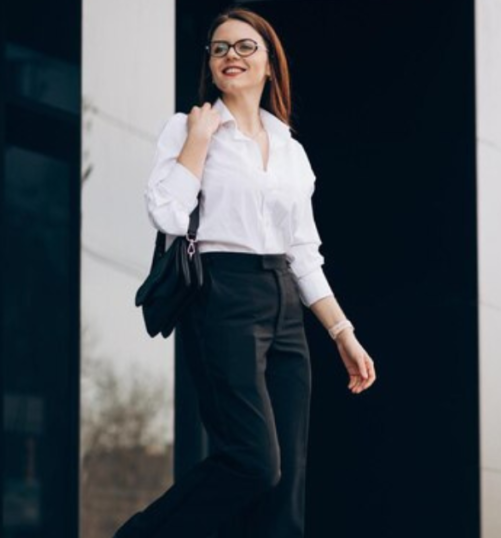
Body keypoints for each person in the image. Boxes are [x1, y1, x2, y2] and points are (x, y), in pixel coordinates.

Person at [113, 6, 376, 538]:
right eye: (219, 48)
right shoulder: (188, 128)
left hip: (282, 300)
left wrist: (342, 332)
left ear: (269, 64)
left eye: (244, 46)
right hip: (221, 295)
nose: (231, 55)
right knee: (253, 461)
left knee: (285, 490)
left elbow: (303, 251)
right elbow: (165, 213)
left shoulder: (290, 150)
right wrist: (198, 142)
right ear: (210, 66)